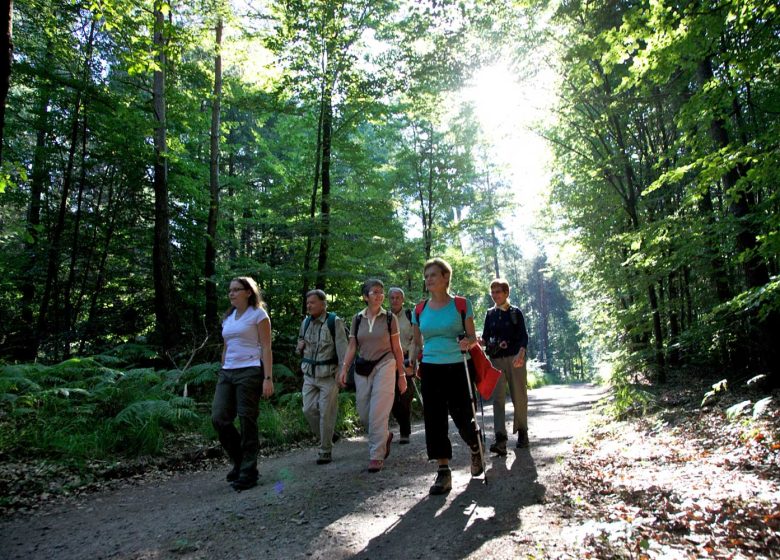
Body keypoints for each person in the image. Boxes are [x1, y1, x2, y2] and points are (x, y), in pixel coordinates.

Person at [411, 258, 483, 496]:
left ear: (445, 278)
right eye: (426, 275)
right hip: (431, 367)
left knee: (462, 416)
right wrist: (411, 360)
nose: (428, 279)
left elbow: (473, 336)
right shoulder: (419, 310)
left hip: (458, 365)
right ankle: (443, 471)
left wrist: (468, 341)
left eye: (433, 274)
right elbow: (416, 341)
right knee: (434, 419)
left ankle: (475, 444)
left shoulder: (462, 305)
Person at [338, 279, 408, 473]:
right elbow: (352, 346)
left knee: (378, 411)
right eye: (374, 292)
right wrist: (344, 368)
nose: (379, 295)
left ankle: (376, 455)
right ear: (365, 296)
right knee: (364, 411)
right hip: (363, 367)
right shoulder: (357, 318)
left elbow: (397, 348)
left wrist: (401, 374)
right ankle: (384, 436)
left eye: (381, 292)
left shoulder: (389, 318)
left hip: (386, 363)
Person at [212, 276, 274, 491]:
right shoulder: (228, 318)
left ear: (248, 292)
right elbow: (226, 346)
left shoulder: (258, 315)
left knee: (247, 420)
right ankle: (240, 461)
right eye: (230, 290)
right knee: (219, 418)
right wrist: (223, 368)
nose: (231, 293)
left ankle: (248, 471)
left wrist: (268, 378)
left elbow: (266, 347)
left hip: (250, 372)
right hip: (227, 372)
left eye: (237, 289)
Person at [296, 289, 349, 465]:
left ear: (323, 304)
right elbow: (299, 347)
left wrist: (342, 372)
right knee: (308, 410)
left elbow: (343, 350)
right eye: (307, 303)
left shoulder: (334, 322)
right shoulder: (305, 323)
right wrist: (299, 347)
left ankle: (325, 450)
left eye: (312, 302)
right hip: (309, 375)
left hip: (329, 375)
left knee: (326, 412)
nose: (309, 306)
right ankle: (329, 435)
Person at [481, 279, 529, 454]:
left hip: (515, 360)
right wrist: (478, 340)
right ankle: (500, 438)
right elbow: (485, 336)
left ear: (506, 293)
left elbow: (524, 336)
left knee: (519, 396)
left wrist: (521, 353)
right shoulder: (490, 314)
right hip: (495, 361)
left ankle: (523, 433)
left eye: (498, 292)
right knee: (498, 399)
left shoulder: (515, 313)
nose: (495, 295)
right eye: (492, 292)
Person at [388, 287, 417, 444]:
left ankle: (405, 431)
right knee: (390, 397)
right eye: (392, 297)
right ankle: (403, 424)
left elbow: (416, 339)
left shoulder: (409, 315)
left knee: (406, 395)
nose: (395, 300)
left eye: (398, 297)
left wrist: (411, 360)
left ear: (403, 299)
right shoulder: (384, 317)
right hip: (389, 361)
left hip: (406, 359)